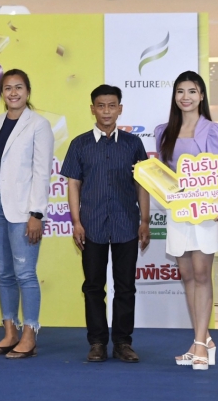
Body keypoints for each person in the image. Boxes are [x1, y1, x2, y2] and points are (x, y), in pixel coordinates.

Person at [60, 84, 150, 363]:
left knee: (125, 287)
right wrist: (76, 221)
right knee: (93, 287)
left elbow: (143, 184)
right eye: (101, 106)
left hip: (126, 223)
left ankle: (123, 342)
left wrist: (145, 220)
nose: (106, 111)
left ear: (120, 109)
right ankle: (97, 342)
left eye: (112, 106)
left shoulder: (133, 144)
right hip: (92, 225)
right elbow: (73, 185)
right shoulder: (80, 144)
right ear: (93, 109)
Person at [0, 69, 55, 359]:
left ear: (28, 91)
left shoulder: (39, 125)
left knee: (25, 273)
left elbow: (42, 172)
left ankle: (29, 334)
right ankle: (10, 332)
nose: (13, 93)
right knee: (4, 273)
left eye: (19, 87)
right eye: (7, 88)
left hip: (23, 209)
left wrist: (37, 214)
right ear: (2, 94)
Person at [155, 71, 218, 371]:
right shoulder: (164, 131)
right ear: (174, 96)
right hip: (179, 212)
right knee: (186, 274)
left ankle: (199, 343)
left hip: (207, 212)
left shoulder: (214, 131)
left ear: (201, 96)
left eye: (192, 91)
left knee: (201, 274)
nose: (185, 97)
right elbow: (163, 173)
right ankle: (204, 339)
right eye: (180, 91)